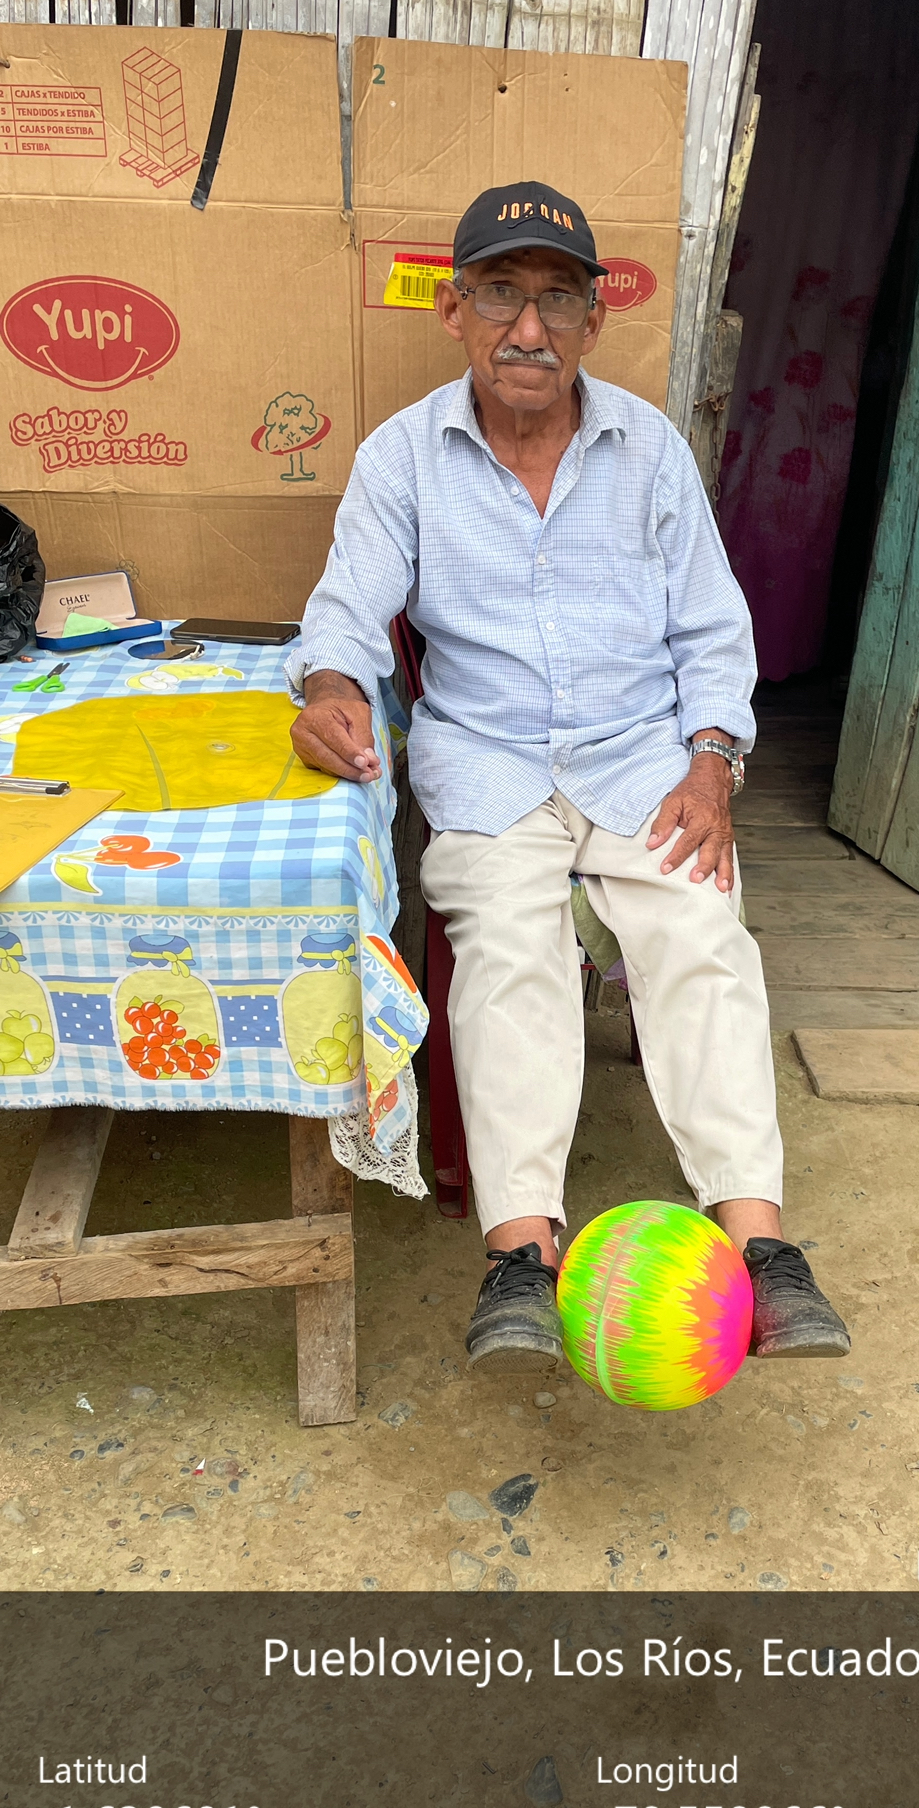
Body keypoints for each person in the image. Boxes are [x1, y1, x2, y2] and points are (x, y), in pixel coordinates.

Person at [288, 179, 850, 1376]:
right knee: (507, 951)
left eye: (556, 299)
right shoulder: (404, 457)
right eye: (501, 294)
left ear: (595, 318)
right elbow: (345, 608)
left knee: (700, 929)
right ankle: (523, 1256)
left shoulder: (649, 451)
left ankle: (761, 1244)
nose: (528, 328)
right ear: (455, 310)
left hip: (643, 759)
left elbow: (713, 630)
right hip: (488, 765)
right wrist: (331, 685)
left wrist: (713, 759)